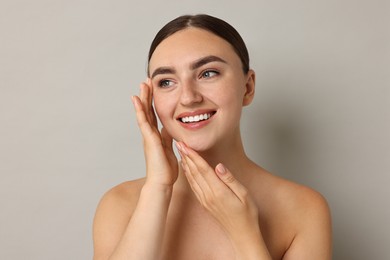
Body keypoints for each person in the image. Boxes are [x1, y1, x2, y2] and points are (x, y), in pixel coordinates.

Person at [92, 14, 332, 260]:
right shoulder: (119, 205)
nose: (188, 97)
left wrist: (244, 235)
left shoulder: (303, 209)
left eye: (208, 73)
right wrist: (157, 189)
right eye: (166, 81)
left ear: (247, 88)